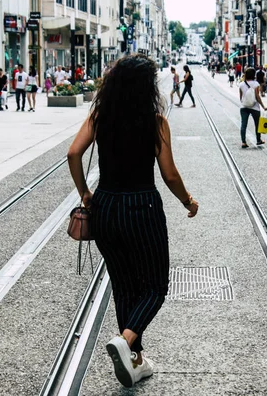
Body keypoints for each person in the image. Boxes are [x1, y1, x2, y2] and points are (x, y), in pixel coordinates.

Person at [67, 54, 199, 388]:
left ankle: (135, 360)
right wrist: (188, 201)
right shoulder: (156, 122)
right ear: (146, 87)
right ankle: (126, 342)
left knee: (124, 285)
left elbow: (73, 153)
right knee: (155, 286)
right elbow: (168, 173)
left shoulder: (100, 115)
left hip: (106, 206)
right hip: (142, 207)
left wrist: (85, 192)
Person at [239, 67, 267, 148]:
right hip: (255, 107)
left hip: (244, 106)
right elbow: (257, 97)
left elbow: (241, 97)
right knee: (257, 124)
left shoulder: (241, 84)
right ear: (253, 75)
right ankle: (258, 140)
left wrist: (245, 102)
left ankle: (243, 142)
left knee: (243, 124)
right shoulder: (256, 84)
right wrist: (263, 106)